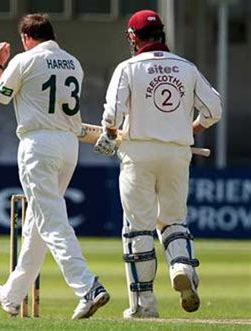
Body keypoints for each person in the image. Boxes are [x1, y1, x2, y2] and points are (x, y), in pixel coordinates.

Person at [94, 10, 222, 318]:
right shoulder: (186, 68)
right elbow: (213, 110)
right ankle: (181, 267)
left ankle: (144, 306)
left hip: (137, 153)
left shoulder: (127, 68)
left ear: (133, 37)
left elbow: (112, 115)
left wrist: (109, 137)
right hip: (177, 153)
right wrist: (189, 130)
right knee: (173, 221)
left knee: (137, 227)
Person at [0, 13, 110, 320]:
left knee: (51, 220)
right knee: (37, 223)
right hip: (68, 146)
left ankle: (87, 286)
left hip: (38, 145)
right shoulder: (73, 63)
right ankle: (12, 295)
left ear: (27, 38)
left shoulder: (24, 61)